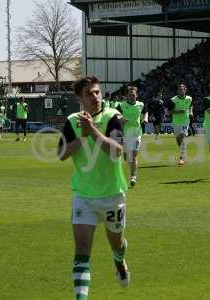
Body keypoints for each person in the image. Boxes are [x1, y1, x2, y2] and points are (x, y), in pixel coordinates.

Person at [57, 75, 130, 300]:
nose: (95, 97)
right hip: (84, 196)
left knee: (116, 244)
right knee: (81, 251)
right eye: (89, 94)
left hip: (112, 195)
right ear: (80, 98)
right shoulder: (71, 121)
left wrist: (93, 132)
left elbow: (118, 151)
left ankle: (119, 260)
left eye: (97, 92)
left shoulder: (113, 117)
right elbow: (60, 154)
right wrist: (80, 139)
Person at [117, 86, 148, 187]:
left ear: (136, 95)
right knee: (126, 158)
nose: (131, 97)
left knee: (134, 156)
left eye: (133, 95)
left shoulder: (141, 105)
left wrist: (145, 118)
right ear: (127, 96)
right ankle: (132, 170)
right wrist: (121, 118)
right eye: (130, 95)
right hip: (125, 134)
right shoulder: (122, 105)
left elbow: (145, 112)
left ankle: (133, 176)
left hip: (136, 133)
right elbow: (115, 115)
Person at [167, 84, 193, 166]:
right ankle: (183, 155)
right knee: (179, 140)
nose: (181, 91)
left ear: (185, 90)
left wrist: (191, 112)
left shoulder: (189, 98)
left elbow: (191, 106)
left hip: (185, 121)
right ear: (177, 91)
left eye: (182, 89)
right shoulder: (173, 100)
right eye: (179, 89)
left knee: (181, 136)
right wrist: (179, 111)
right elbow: (169, 112)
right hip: (176, 122)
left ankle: (182, 157)